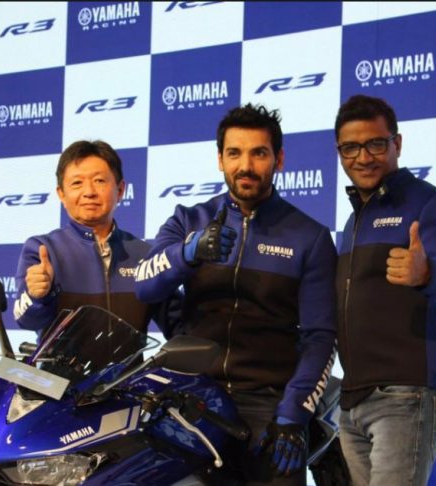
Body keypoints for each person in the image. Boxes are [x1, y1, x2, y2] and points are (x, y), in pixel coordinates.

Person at [134, 104, 337, 485]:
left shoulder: (310, 237)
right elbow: (145, 284)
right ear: (220, 159)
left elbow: (321, 337)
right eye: (234, 153)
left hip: (270, 405)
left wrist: (293, 414)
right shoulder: (188, 220)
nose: (246, 165)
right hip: (193, 401)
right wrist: (188, 253)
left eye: (259, 153)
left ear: (279, 159)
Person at [334, 94, 436, 486]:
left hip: (407, 395)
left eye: (375, 144)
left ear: (396, 144)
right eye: (350, 147)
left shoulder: (432, 204)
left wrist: (428, 274)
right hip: (351, 400)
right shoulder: (353, 221)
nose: (363, 157)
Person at [13, 140, 178, 341]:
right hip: (58, 364)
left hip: (131, 364)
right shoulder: (43, 249)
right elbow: (26, 321)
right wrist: (37, 296)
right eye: (77, 183)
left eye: (99, 181)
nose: (89, 192)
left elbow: (180, 324)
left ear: (120, 190)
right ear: (61, 194)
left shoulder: (146, 255)